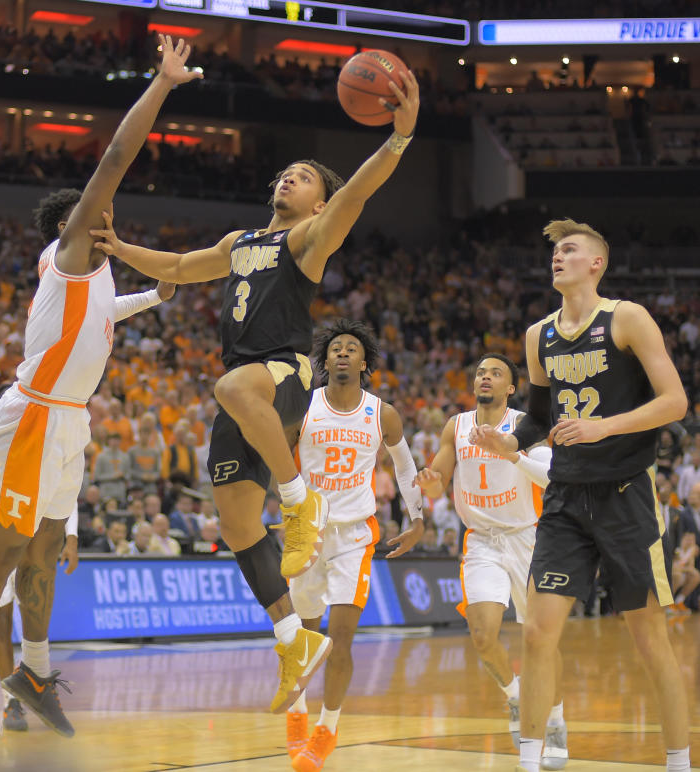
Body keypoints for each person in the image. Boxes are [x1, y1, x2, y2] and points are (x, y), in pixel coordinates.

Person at [90, 70, 420, 712]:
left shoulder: (308, 240)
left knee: (232, 385)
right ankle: (291, 637)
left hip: (285, 374)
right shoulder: (241, 244)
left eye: (304, 177)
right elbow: (182, 269)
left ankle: (299, 501)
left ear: (319, 205)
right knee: (237, 522)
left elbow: (356, 194)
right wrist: (120, 245)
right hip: (245, 391)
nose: (288, 179)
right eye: (285, 174)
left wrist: (399, 140)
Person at [0, 35, 201, 739]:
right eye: (95, 214)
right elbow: (115, 159)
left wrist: (156, 293)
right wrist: (162, 85)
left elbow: (106, 315)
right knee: (5, 546)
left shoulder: (94, 278)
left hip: (70, 421)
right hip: (31, 416)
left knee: (47, 548)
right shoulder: (70, 251)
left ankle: (31, 667)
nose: (108, 216)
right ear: (71, 226)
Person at [469, 219, 691, 772]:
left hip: (624, 497)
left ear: (597, 264)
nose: (557, 257)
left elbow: (675, 402)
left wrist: (604, 427)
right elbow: (539, 419)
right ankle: (529, 759)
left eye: (570, 250)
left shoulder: (626, 318)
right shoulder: (537, 334)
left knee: (649, 642)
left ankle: (679, 761)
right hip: (566, 501)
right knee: (539, 633)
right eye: (554, 251)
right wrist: (507, 441)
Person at [414, 353, 567, 769]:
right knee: (482, 635)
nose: (485, 377)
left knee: (542, 639)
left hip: (528, 538)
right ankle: (516, 696)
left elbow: (550, 477)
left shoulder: (525, 425)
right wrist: (430, 482)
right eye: (481, 372)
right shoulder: (457, 425)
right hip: (481, 540)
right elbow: (438, 477)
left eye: (495, 373)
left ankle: (554, 718)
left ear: (510, 388)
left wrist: (511, 454)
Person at [287, 320, 424, 772]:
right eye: (336, 349)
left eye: (352, 349)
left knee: (341, 639)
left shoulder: (381, 413)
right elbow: (275, 458)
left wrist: (417, 519)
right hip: (308, 530)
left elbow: (405, 469)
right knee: (303, 636)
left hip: (353, 535)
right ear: (324, 360)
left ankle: (327, 728)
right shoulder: (302, 406)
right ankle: (297, 714)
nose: (343, 353)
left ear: (364, 363)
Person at [0, 382, 79, 732]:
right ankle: (11, 703)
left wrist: (71, 536)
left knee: (32, 614)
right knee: (2, 624)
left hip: (31, 538)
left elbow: (64, 493)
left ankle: (32, 680)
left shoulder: (40, 440)